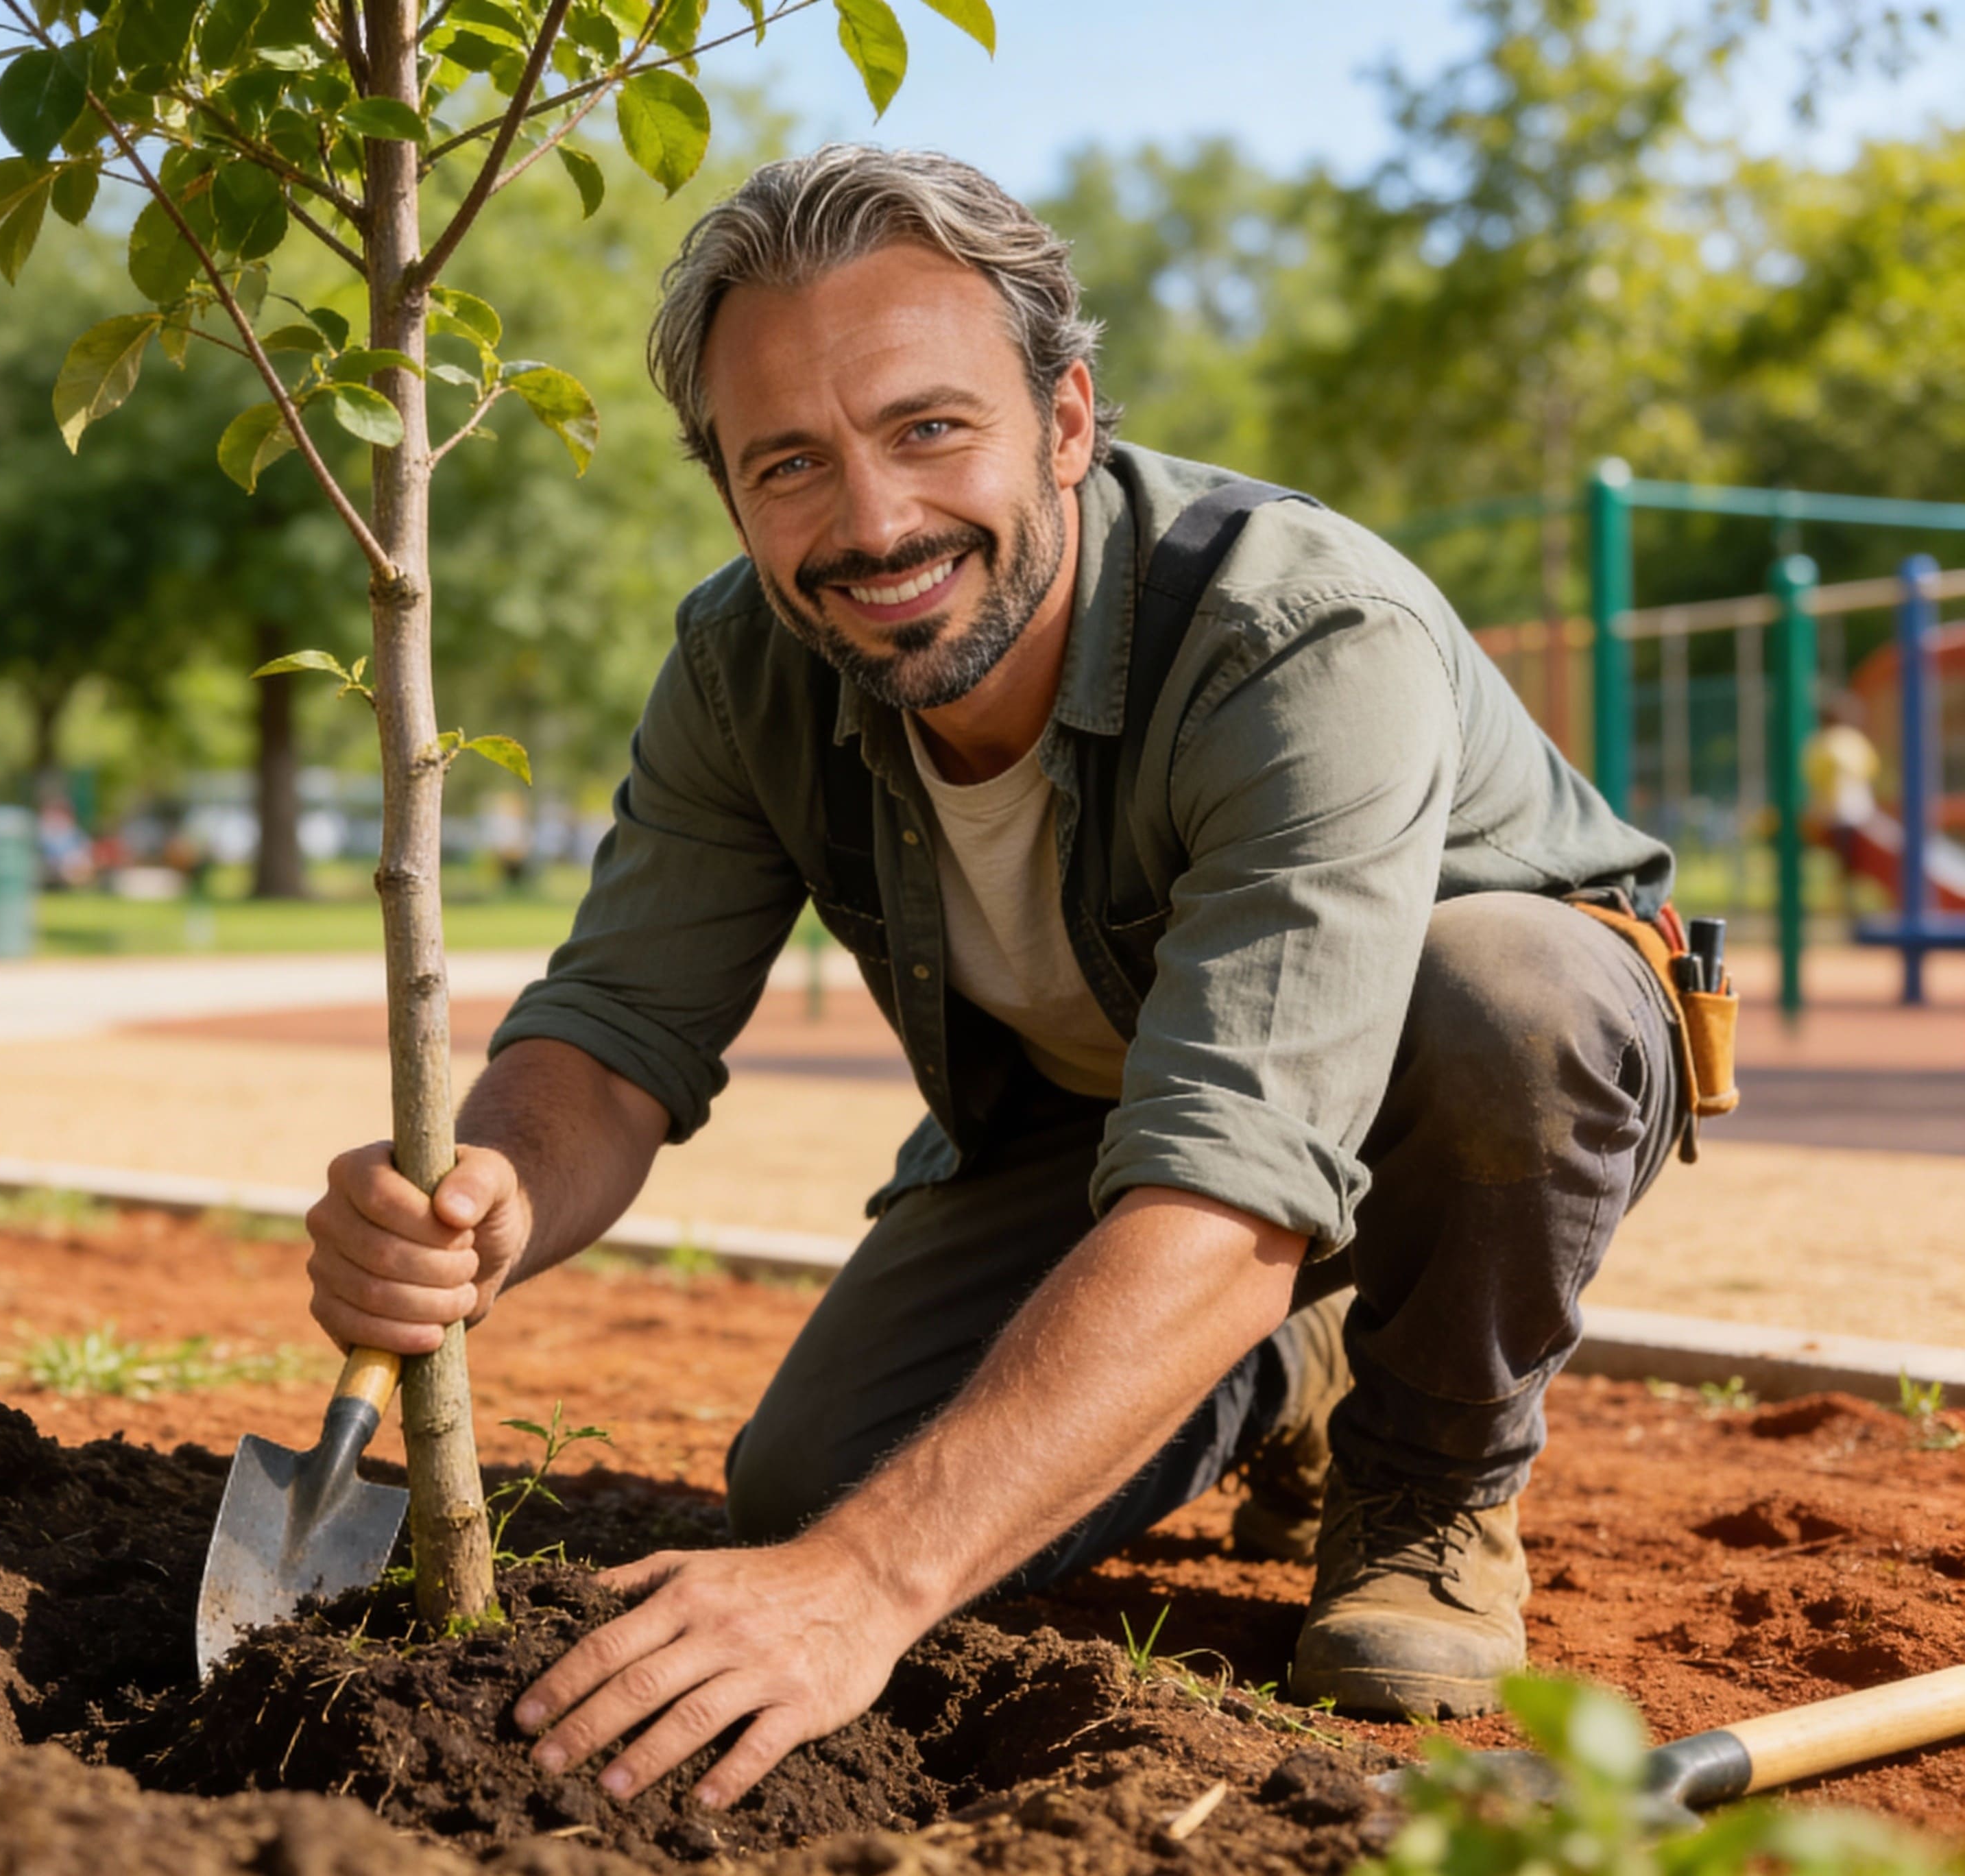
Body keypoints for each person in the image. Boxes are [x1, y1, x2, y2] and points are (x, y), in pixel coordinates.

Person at [302, 146, 1689, 1809]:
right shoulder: (742, 665)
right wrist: (485, 1198)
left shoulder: (1300, 640)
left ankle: (1430, 1470)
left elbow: (1235, 1165)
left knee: (1503, 999)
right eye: (790, 463)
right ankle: (1299, 1349)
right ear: (727, 492)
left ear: (1066, 419)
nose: (872, 523)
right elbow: (609, 1040)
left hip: (1454, 1074)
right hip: (1095, 1110)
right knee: (816, 1482)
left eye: (926, 427)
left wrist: (868, 1590)